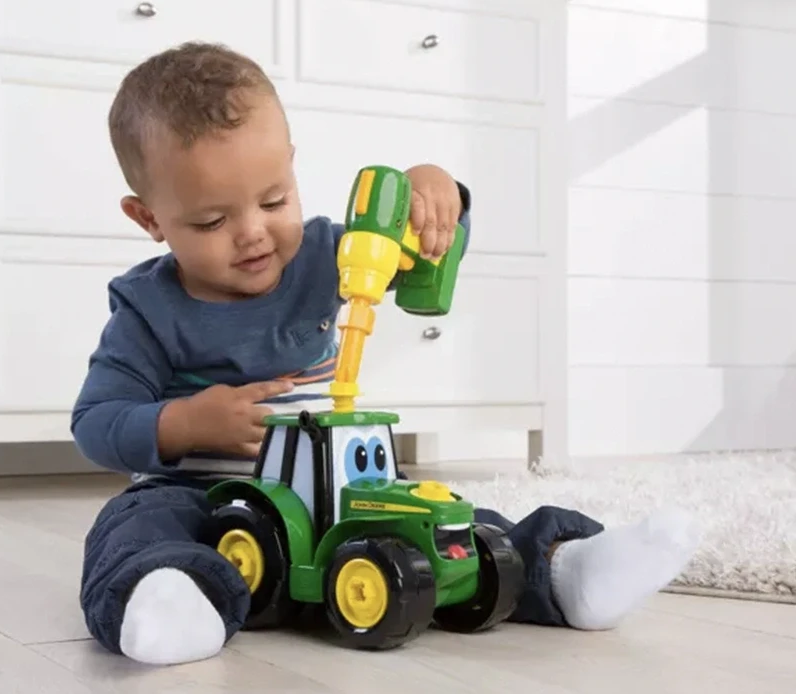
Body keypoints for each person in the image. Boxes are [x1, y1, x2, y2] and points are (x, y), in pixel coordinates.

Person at [71, 41, 700, 667]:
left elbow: (419, 252)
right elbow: (96, 421)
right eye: (211, 221)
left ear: (291, 165)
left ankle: (566, 573)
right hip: (197, 492)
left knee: (447, 518)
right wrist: (183, 423)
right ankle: (169, 598)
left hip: (340, 483)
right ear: (149, 217)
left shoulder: (322, 254)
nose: (253, 232)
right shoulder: (146, 307)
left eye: (273, 200)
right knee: (136, 527)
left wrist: (431, 194)